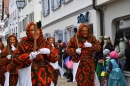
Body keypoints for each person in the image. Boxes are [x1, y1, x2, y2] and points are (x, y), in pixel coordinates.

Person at [9, 21, 59, 86]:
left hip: (43, 74)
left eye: (37, 29)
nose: (36, 32)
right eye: (33, 30)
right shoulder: (23, 43)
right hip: (29, 74)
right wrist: (29, 56)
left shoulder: (44, 42)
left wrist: (49, 52)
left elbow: (55, 56)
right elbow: (15, 58)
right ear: (28, 32)